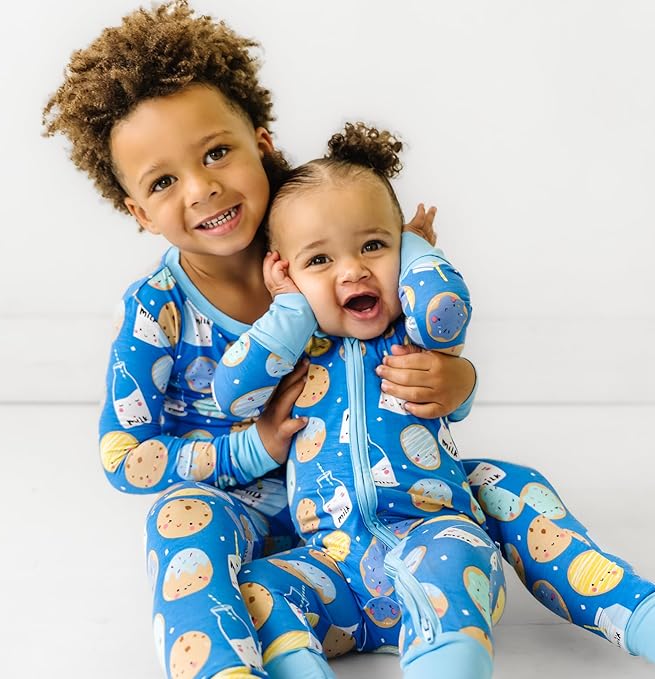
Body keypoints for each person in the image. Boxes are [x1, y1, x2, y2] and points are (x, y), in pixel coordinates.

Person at [41, 2, 654, 677]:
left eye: (217, 152)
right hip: (255, 515)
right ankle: (223, 667)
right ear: (137, 211)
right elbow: (124, 456)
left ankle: (630, 610)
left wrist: (459, 380)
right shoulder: (154, 311)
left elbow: (422, 311)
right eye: (163, 181)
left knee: (506, 483)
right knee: (181, 521)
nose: (202, 187)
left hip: (386, 497)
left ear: (262, 144)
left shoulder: (330, 230)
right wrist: (251, 448)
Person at [212, 122, 655, 679]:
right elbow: (232, 396)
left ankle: (631, 618)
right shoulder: (293, 350)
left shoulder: (416, 336)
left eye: (374, 245)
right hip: (335, 571)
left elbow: (445, 309)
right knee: (256, 587)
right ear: (285, 272)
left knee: (485, 515)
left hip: (436, 543)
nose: (352, 270)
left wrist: (417, 249)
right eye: (318, 260)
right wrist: (288, 310)